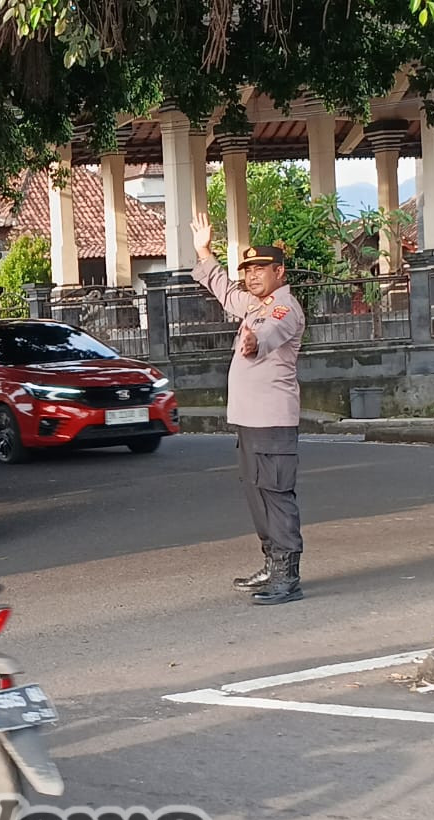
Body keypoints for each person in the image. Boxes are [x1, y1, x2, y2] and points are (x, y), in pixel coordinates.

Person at [190, 211, 307, 605]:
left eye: (260, 269)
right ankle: (272, 564)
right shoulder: (256, 305)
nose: (252, 276)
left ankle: (287, 575)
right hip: (250, 420)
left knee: (275, 494)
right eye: (248, 270)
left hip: (272, 420)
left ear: (279, 271)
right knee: (257, 493)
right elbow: (226, 292)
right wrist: (204, 252)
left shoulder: (283, 309)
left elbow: (270, 332)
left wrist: (256, 342)